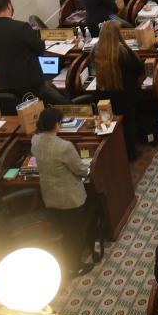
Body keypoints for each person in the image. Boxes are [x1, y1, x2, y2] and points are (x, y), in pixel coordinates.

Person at [31, 108, 93, 273]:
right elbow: (80, 169)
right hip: (69, 198)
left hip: (51, 196)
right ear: (57, 125)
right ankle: (75, 266)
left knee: (66, 229)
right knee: (73, 233)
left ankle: (71, 261)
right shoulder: (64, 146)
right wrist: (89, 168)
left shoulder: (35, 140)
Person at [0, 0, 68, 104]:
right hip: (30, 82)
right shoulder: (22, 27)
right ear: (9, 6)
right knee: (56, 98)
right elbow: (40, 49)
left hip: (4, 83)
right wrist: (32, 34)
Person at [92, 20, 145, 161]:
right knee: (129, 123)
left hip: (105, 95)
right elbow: (139, 69)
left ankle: (117, 154)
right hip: (125, 95)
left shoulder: (96, 50)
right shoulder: (123, 51)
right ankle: (132, 154)